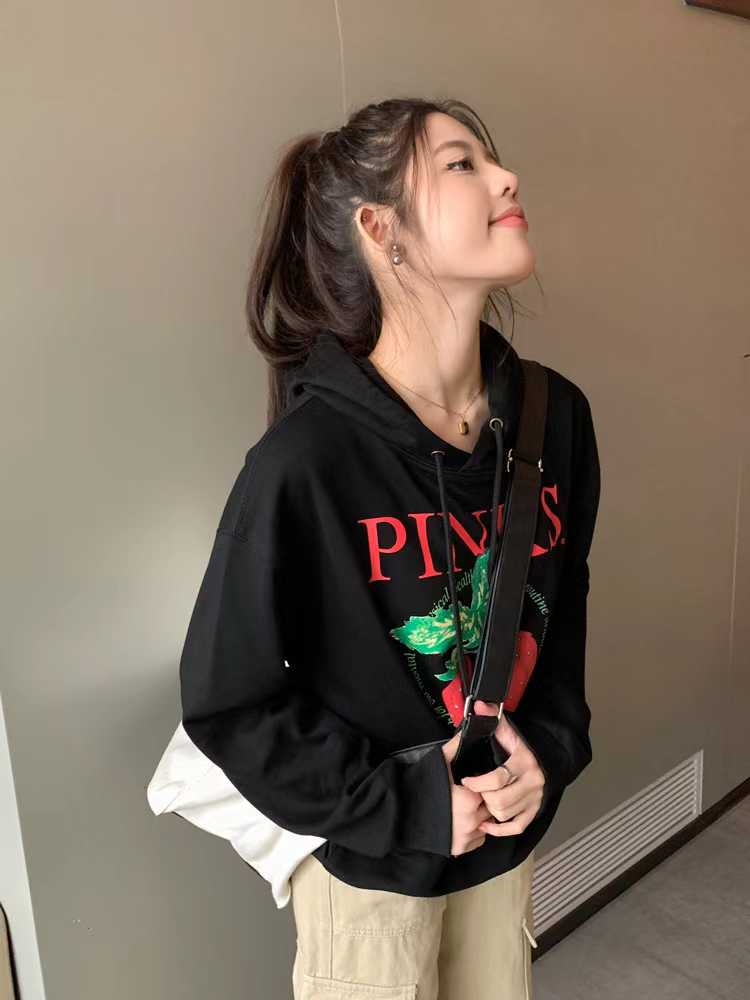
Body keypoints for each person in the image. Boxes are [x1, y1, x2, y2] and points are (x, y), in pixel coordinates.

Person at [170, 97, 601, 999]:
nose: (506, 178)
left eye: (490, 159)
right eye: (462, 164)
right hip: (370, 875)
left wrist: (551, 751)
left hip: (501, 847)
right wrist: (406, 804)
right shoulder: (306, 462)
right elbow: (230, 705)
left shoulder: (555, 416)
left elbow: (562, 609)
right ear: (381, 229)